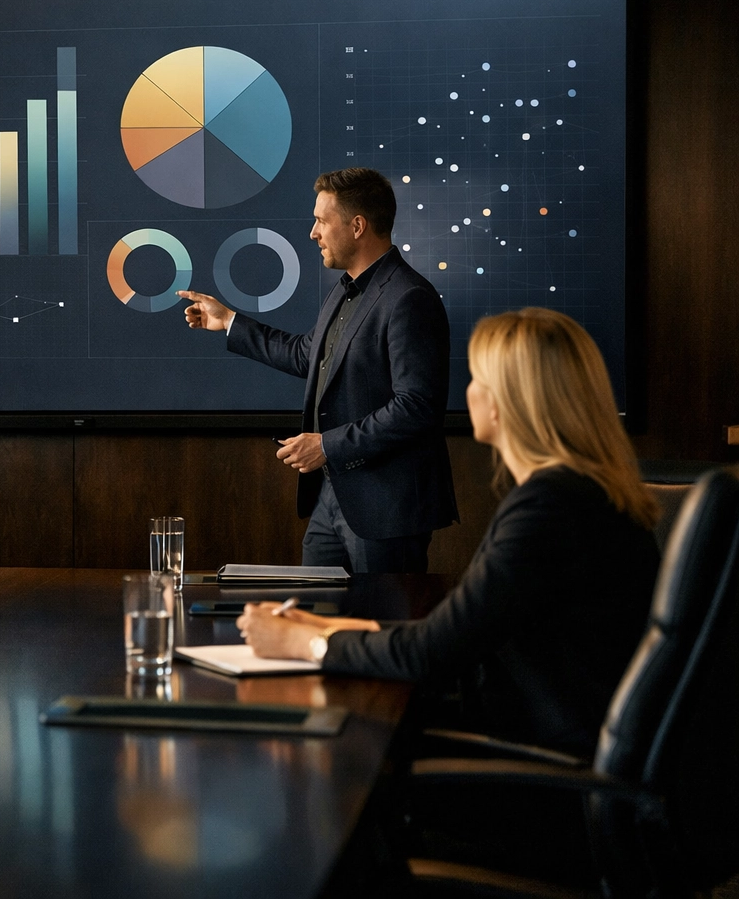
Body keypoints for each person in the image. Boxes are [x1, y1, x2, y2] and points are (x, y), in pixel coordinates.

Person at [236, 308, 661, 757]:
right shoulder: (581, 493)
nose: (467, 391)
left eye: (477, 378)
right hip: (533, 731)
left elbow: (431, 653)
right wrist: (321, 624)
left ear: (507, 401)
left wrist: (308, 643)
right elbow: (453, 631)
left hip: (529, 758)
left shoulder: (548, 508)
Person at [178, 167, 458, 572]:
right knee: (315, 621)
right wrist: (229, 322)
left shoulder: (410, 298)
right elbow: (306, 354)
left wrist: (326, 445)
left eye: (321, 221)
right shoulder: (345, 290)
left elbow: (417, 407)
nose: (313, 233)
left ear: (358, 225)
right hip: (331, 500)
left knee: (378, 625)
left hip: (386, 511)